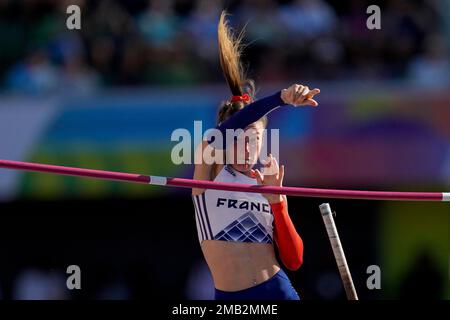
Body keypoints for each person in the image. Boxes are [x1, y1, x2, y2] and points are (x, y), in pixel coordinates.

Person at [192, 11, 320, 300]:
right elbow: (225, 131)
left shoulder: (268, 180)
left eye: (256, 139)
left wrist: (277, 203)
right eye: (240, 139)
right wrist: (280, 99)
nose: (248, 147)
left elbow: (294, 260)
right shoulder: (211, 169)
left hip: (277, 290)